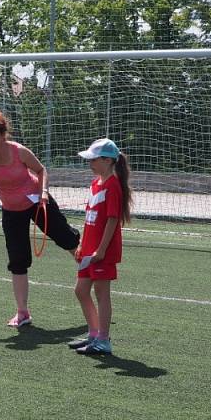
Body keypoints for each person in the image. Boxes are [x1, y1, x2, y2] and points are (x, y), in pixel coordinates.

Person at [0, 111, 80, 328]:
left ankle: (90, 269)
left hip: (37, 201)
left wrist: (43, 192)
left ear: (3, 134)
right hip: (12, 211)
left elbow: (41, 170)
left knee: (66, 238)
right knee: (18, 260)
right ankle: (23, 313)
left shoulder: (18, 151)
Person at [70, 138, 133, 355]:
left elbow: (113, 220)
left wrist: (101, 249)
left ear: (108, 161)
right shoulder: (96, 183)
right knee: (80, 290)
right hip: (89, 249)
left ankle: (103, 340)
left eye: (94, 159)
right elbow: (90, 217)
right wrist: (82, 245)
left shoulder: (113, 185)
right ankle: (94, 334)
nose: (90, 163)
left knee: (101, 293)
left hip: (102, 252)